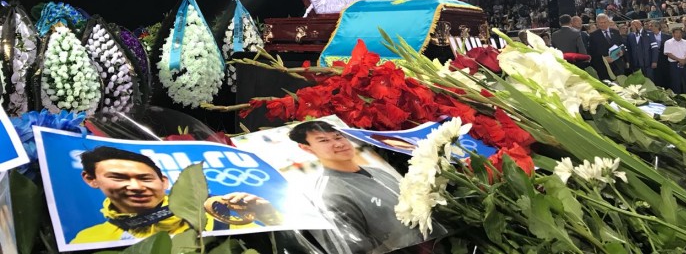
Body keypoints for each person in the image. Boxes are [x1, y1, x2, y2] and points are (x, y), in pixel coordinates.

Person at [71, 146, 278, 244]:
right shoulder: (88, 240)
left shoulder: (216, 217)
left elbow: (274, 244)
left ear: (164, 181)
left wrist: (270, 218)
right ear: (91, 179)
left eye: (145, 178)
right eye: (118, 177)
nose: (135, 186)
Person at [289, 120, 431, 254]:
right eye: (324, 140)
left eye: (338, 137)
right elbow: (353, 248)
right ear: (306, 148)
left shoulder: (379, 172)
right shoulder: (330, 194)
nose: (338, 144)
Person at [588, 13, 626, 81]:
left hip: (618, 66)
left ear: (608, 22)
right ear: (597, 23)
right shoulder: (593, 36)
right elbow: (592, 53)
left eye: (604, 22)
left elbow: (622, 45)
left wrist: (621, 52)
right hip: (604, 68)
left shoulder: (616, 32)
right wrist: (603, 59)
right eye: (600, 23)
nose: (603, 24)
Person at [663, 26, 686, 94]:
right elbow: (668, 53)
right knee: (676, 82)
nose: (679, 34)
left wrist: (685, 60)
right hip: (674, 64)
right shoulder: (668, 42)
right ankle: (677, 98)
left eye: (680, 33)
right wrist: (679, 60)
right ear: (673, 34)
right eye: (677, 33)